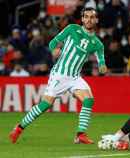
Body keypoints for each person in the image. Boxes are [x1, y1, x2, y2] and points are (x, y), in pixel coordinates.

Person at [9, 7, 107, 144]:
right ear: (83, 19)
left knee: (89, 100)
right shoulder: (72, 28)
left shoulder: (97, 43)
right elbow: (53, 42)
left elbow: (101, 59)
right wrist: (54, 49)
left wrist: (102, 67)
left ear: (96, 20)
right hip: (59, 74)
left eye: (92, 17)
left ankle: (80, 134)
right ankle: (18, 128)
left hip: (75, 77)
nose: (89, 19)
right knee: (45, 105)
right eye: (87, 16)